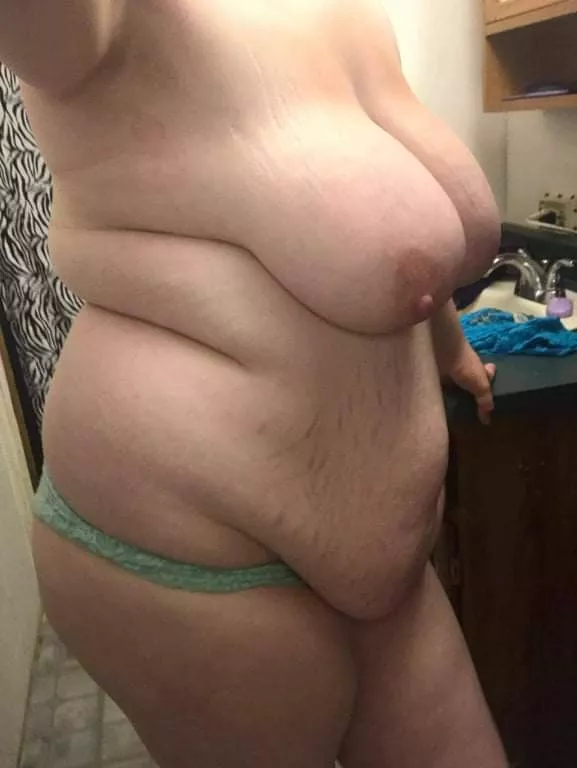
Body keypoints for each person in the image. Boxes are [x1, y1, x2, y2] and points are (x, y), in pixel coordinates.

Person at [1, 1, 507, 766]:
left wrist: (450, 346)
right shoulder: (122, 20)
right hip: (191, 559)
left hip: (385, 564)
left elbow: (394, 234)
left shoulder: (347, 14)